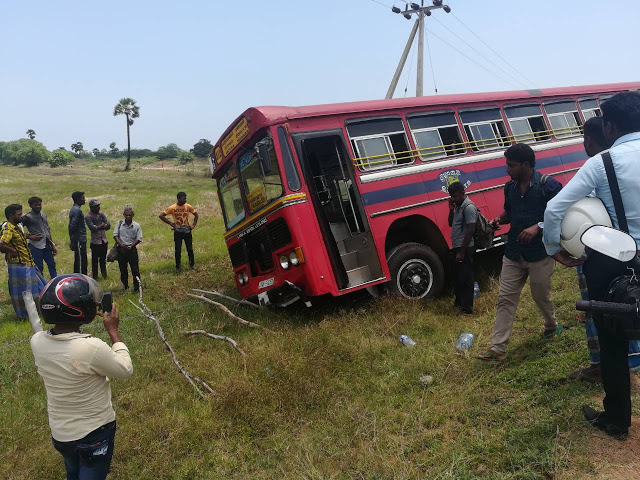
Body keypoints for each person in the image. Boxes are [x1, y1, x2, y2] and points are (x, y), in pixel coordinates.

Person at [544, 91, 640, 439]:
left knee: (613, 344)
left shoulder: (602, 164)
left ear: (611, 125)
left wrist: (556, 247)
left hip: (616, 265)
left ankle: (616, 420)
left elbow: (555, 209)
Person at [31, 274, 133, 479]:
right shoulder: (90, 347)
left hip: (61, 434)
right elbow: (125, 370)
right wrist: (113, 331)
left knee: (73, 471)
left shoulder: (37, 341)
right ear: (78, 311)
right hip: (94, 433)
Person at [567, 117, 640, 383]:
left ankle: (614, 369)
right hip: (625, 252)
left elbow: (562, 208)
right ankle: (619, 364)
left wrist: (553, 241)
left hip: (605, 255)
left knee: (611, 310)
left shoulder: (595, 169)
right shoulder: (623, 165)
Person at [476, 143, 563, 361]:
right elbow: (511, 212)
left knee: (540, 295)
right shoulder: (510, 188)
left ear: (525, 165)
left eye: (511, 165)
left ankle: (551, 325)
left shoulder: (548, 186)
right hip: (514, 252)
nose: (507, 169)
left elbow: (563, 213)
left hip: (541, 252)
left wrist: (537, 227)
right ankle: (497, 349)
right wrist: (499, 219)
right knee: (505, 299)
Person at [0, 204, 47, 319]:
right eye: (19, 214)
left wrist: (30, 236)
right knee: (24, 292)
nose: (21, 216)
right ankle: (26, 316)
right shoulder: (8, 228)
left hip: (28, 263)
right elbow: (1, 244)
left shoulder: (16, 226)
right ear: (11, 216)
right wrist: (12, 251)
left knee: (39, 287)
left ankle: (39, 311)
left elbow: (19, 237)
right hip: (19, 266)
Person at [448, 181, 477, 315]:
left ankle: (467, 309)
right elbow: (450, 223)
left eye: (455, 196)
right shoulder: (458, 207)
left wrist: (462, 251)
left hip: (465, 248)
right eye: (451, 196)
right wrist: (451, 210)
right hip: (457, 247)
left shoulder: (469, 207)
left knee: (467, 278)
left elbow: (470, 230)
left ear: (462, 193)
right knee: (458, 277)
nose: (453, 199)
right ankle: (459, 303)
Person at [159, 192, 198, 271]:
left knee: (190, 249)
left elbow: (196, 214)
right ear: (178, 198)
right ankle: (178, 267)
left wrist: (193, 225)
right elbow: (161, 215)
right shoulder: (172, 208)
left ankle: (192, 264)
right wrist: (171, 223)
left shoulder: (188, 206)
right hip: (178, 232)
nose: (185, 200)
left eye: (185, 198)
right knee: (178, 250)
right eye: (183, 198)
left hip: (187, 230)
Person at [22, 196, 58, 278]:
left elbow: (47, 231)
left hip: (46, 244)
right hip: (36, 246)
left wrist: (53, 245)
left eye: (39, 204)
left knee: (52, 265)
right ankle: (40, 286)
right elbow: (16, 228)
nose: (38, 206)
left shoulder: (43, 215)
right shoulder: (28, 217)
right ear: (30, 206)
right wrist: (29, 237)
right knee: (39, 267)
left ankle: (54, 282)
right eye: (35, 205)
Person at [113, 206, 142, 292]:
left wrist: (131, 246)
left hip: (131, 249)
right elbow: (115, 235)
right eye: (126, 215)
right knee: (123, 269)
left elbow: (139, 238)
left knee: (135, 269)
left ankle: (137, 287)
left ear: (133, 215)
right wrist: (121, 245)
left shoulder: (136, 225)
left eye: (129, 215)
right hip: (121, 250)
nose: (128, 217)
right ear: (123, 215)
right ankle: (125, 286)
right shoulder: (119, 224)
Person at [85, 199, 111, 280]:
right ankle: (95, 277)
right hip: (95, 242)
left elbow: (108, 225)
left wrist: (100, 226)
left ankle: (104, 275)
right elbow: (93, 228)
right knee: (95, 261)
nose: (98, 208)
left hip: (103, 240)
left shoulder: (101, 215)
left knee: (103, 259)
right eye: (96, 206)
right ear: (91, 207)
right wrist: (102, 226)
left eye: (98, 206)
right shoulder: (88, 217)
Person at [69, 191, 87, 275]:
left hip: (79, 238)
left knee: (80, 259)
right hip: (79, 239)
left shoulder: (75, 209)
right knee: (80, 261)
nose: (85, 200)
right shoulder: (77, 211)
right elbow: (72, 226)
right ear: (78, 199)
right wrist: (73, 240)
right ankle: (80, 278)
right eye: (83, 198)